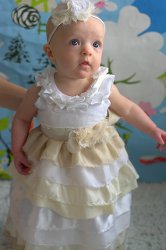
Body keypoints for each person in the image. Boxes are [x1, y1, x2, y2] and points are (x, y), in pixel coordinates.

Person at [5, 1, 166, 249]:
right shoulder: (42, 87)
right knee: (48, 202)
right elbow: (22, 118)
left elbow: (129, 109)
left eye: (96, 44)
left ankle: (91, 240)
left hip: (95, 158)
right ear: (50, 52)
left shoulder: (103, 85)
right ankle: (50, 240)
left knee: (93, 202)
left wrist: (153, 129)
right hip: (50, 157)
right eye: (75, 42)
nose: (87, 51)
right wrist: (17, 150)